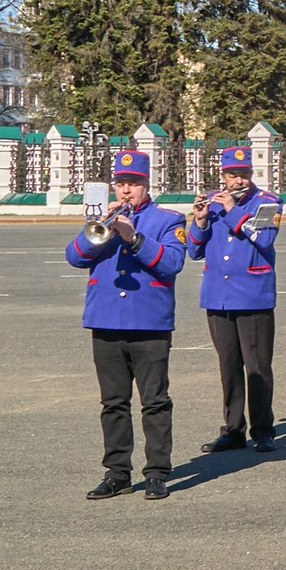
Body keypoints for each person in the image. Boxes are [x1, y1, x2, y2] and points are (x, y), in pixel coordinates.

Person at [65, 148, 186, 500]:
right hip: (105, 321)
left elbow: (172, 263)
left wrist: (134, 238)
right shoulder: (102, 218)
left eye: (133, 184)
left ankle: (157, 472)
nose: (126, 191)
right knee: (113, 402)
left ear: (147, 185)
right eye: (121, 184)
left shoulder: (167, 220)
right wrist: (99, 229)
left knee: (155, 401)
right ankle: (117, 472)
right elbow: (74, 257)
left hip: (149, 323)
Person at [187, 144, 279, 454]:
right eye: (231, 175)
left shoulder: (268, 202)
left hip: (253, 296)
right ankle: (233, 429)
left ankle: (263, 428)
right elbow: (194, 251)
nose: (237, 181)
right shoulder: (212, 203)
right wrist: (199, 220)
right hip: (218, 296)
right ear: (223, 176)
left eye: (243, 175)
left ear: (251, 175)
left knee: (257, 366)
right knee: (228, 366)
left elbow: (264, 238)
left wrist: (232, 211)